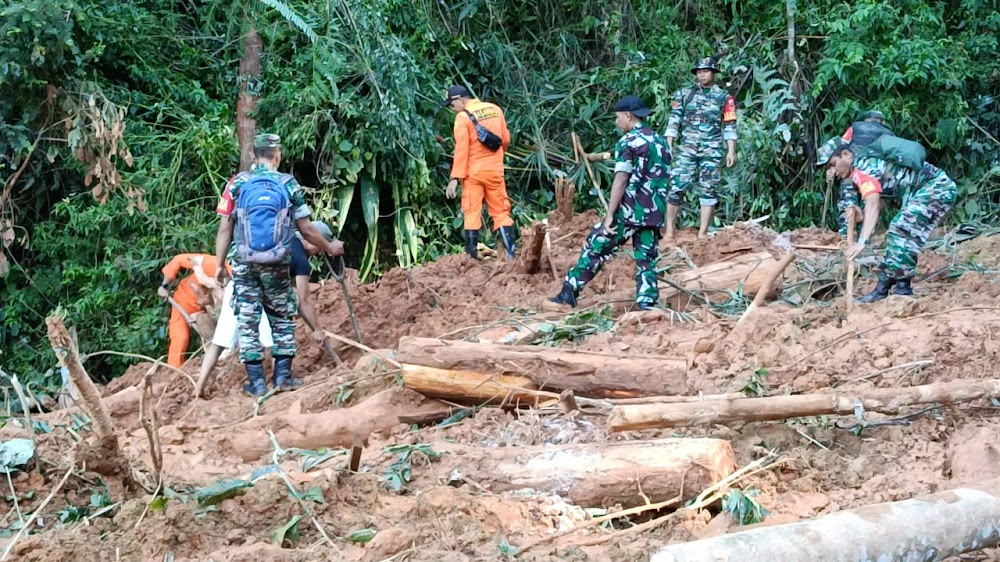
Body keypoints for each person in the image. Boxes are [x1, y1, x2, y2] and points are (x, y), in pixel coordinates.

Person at [213, 133, 344, 397]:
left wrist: (218, 264)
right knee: (281, 318)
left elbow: (225, 228)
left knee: (248, 320)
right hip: (277, 261)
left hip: (245, 262)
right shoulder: (287, 184)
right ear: (277, 155)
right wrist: (329, 247)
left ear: (254, 155)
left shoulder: (237, 184)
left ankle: (257, 383)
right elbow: (305, 228)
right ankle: (282, 377)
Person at [549, 95, 670, 310]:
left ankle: (570, 291)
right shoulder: (660, 141)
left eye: (617, 117)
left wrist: (611, 214)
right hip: (654, 212)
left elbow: (621, 178)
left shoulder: (628, 142)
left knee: (597, 244)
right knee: (646, 257)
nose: (616, 122)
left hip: (630, 209)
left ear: (627, 115)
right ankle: (646, 302)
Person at [195, 220, 337, 396]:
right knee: (272, 339)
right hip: (260, 294)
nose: (317, 253)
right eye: (320, 248)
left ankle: (199, 386)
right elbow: (304, 299)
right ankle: (273, 382)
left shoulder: (281, 239)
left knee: (219, 342)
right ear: (314, 240)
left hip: (237, 287)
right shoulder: (300, 259)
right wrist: (317, 329)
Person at [817, 137, 957, 302]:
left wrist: (862, 241)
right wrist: (860, 215)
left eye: (833, 164)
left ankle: (903, 289)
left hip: (936, 187)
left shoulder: (862, 170)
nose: (832, 172)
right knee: (897, 232)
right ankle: (883, 286)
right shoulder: (866, 164)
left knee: (901, 229)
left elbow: (873, 203)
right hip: (930, 188)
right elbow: (879, 204)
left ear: (846, 154)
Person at [664, 57, 738, 240]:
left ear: (713, 73)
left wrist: (731, 150)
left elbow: (729, 125)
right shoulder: (684, 94)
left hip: (711, 150)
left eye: (705, 71)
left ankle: (702, 232)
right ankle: (669, 231)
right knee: (676, 186)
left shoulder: (723, 97)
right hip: (687, 149)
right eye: (698, 71)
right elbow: (674, 120)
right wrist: (669, 143)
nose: (701, 74)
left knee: (708, 189)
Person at [441, 84, 516, 260]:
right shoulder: (495, 109)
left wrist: (454, 179)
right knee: (500, 211)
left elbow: (461, 150)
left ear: (459, 100)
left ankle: (472, 258)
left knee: (472, 211)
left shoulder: (462, 118)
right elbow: (505, 140)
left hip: (473, 173)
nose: (453, 110)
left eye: (452, 105)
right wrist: (495, 159)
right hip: (494, 170)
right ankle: (511, 256)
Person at [830, 109, 894, 235]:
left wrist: (834, 168)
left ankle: (845, 234)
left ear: (866, 119)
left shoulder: (855, 128)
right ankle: (865, 235)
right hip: (876, 175)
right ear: (882, 121)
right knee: (870, 204)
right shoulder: (888, 133)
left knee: (848, 203)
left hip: (852, 170)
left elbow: (840, 148)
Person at [158, 254, 226, 367]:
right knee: (180, 338)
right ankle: (173, 371)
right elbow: (178, 260)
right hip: (184, 301)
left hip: (210, 309)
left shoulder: (240, 283)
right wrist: (164, 286)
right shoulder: (211, 263)